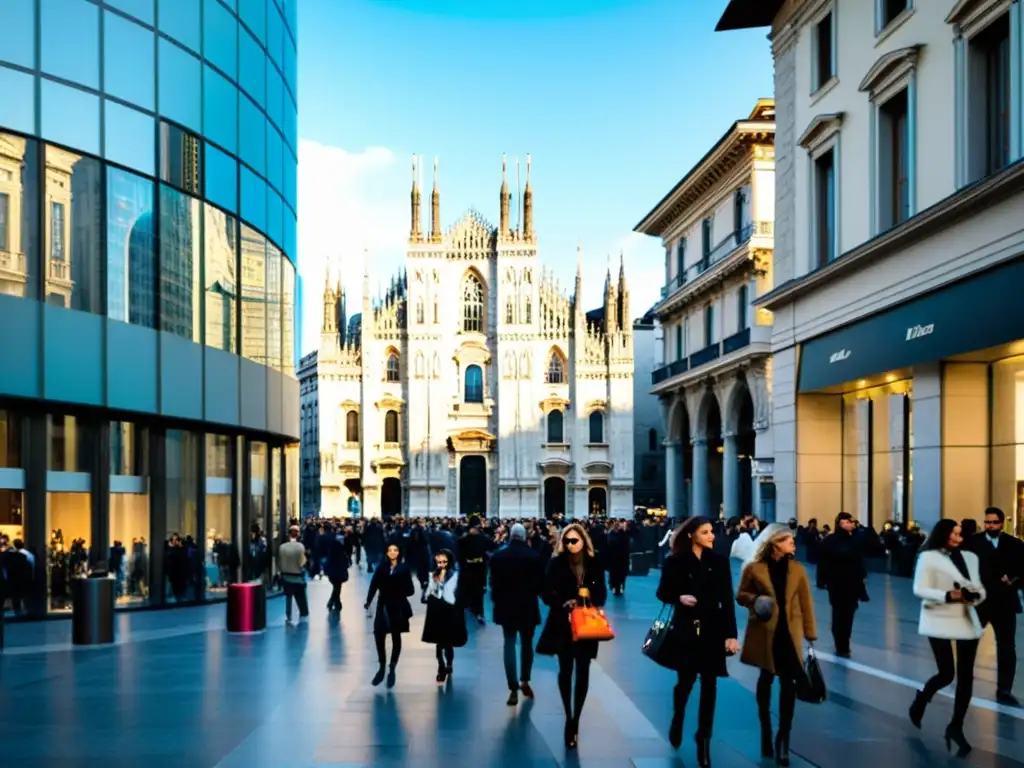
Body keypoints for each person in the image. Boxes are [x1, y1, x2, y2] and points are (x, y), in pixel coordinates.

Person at [657, 516, 738, 767]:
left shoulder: (720, 562)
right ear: (692, 535)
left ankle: (704, 740)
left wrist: (731, 635)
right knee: (686, 682)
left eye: (712, 532)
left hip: (713, 628)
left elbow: (727, 601)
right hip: (687, 628)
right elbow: (662, 592)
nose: (712, 536)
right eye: (706, 532)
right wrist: (679, 597)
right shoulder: (675, 561)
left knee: (710, 685)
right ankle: (678, 715)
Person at [736, 523, 817, 767]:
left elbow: (806, 603)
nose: (793, 542)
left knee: (788, 685)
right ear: (775, 543)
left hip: (789, 635)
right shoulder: (754, 569)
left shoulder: (798, 570)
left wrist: (810, 634)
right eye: (788, 539)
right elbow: (741, 595)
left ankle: (783, 739)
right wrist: (757, 600)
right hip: (765, 633)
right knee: (766, 680)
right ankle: (765, 729)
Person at [909, 519, 986, 757]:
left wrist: (974, 596)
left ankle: (956, 726)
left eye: (960, 534)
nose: (958, 538)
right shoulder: (928, 557)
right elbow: (919, 589)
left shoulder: (969, 557)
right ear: (943, 534)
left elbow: (980, 588)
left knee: (966, 677)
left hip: (965, 619)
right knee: (946, 673)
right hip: (939, 617)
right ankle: (922, 698)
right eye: (954, 533)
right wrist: (948, 595)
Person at [536, 523, 608, 750]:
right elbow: (545, 591)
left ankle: (576, 717)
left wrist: (586, 600)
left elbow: (601, 592)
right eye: (567, 541)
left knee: (583, 670)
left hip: (586, 623)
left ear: (583, 541)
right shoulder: (556, 563)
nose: (570, 544)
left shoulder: (593, 563)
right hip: (562, 623)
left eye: (574, 540)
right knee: (565, 670)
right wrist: (562, 602)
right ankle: (569, 717)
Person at [968, 507, 1023, 706]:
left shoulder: (1015, 544)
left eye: (994, 522)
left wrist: (1014, 580)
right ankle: (965, 682)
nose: (990, 526)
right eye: (987, 522)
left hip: (1004, 602)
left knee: (1007, 647)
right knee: (969, 643)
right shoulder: (973, 543)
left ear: (1002, 523)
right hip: (980, 601)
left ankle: (1004, 689)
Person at [489, 523, 544, 705]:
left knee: (509, 643)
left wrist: (497, 600)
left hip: (506, 606)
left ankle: (512, 687)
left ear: (510, 536)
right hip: (527, 605)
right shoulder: (534, 557)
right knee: (527, 643)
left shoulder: (498, 557)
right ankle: (525, 681)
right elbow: (539, 585)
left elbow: (493, 584)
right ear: (524, 536)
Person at [815, 512, 868, 658]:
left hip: (850, 583)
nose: (850, 524)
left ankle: (844, 642)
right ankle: (841, 643)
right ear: (840, 524)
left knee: (848, 613)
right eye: (846, 522)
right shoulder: (830, 541)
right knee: (840, 613)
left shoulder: (855, 540)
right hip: (837, 583)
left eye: (851, 522)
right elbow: (823, 562)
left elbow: (860, 561)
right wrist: (821, 580)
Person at [364, 543, 415, 688]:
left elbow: (410, 590)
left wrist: (400, 590)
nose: (393, 553)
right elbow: (373, 585)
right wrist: (368, 601)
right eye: (390, 550)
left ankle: (392, 666)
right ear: (386, 552)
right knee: (379, 634)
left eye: (395, 550)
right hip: (383, 605)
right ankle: (382, 666)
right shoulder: (381, 568)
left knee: (395, 636)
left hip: (398, 606)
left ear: (399, 552)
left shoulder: (404, 569)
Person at [421, 548, 466, 683]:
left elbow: (427, 596)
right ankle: (449, 664)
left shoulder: (434, 576)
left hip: (436, 613)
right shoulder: (455, 576)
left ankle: (441, 668)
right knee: (448, 642)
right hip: (450, 613)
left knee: (439, 643)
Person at [458, 515, 493, 623]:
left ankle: (476, 611)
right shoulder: (482, 538)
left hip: (473, 569)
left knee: (474, 591)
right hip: (475, 569)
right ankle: (475, 611)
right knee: (473, 591)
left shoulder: (464, 539)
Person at [277, 526, 309, 626]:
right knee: (301, 595)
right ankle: (303, 613)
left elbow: (279, 562)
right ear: (298, 534)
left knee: (288, 596)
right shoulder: (300, 547)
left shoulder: (282, 547)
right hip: (298, 576)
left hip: (286, 576)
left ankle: (288, 615)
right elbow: (302, 563)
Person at [324, 525, 349, 612]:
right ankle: (333, 602)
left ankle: (335, 602)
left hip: (331, 570)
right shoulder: (341, 551)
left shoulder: (332, 550)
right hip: (339, 570)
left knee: (336, 586)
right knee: (337, 586)